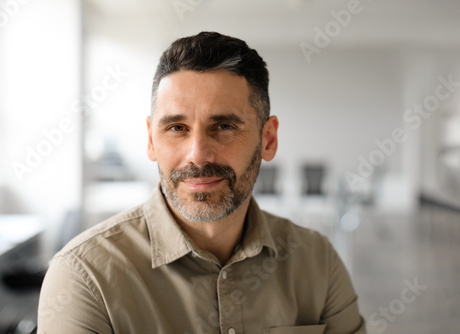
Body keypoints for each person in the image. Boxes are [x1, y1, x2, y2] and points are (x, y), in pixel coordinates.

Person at [37, 31, 366, 334]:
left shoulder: (317, 262)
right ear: (151, 141)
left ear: (268, 139)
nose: (197, 155)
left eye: (223, 126)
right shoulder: (84, 276)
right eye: (177, 128)